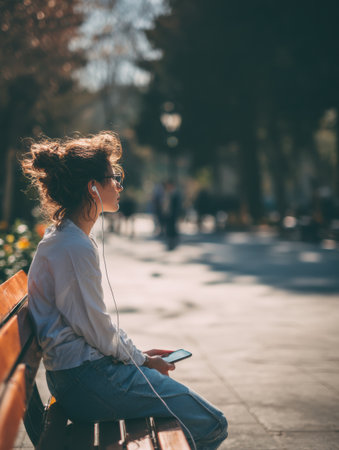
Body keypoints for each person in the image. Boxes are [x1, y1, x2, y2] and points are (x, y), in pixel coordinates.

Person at [21, 132, 228, 450]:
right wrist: (141, 361)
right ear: (92, 186)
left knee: (201, 420)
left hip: (77, 376)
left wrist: (139, 357)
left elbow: (92, 327)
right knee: (211, 425)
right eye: (113, 177)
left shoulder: (66, 238)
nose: (119, 185)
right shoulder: (73, 246)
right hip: (85, 379)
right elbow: (97, 329)